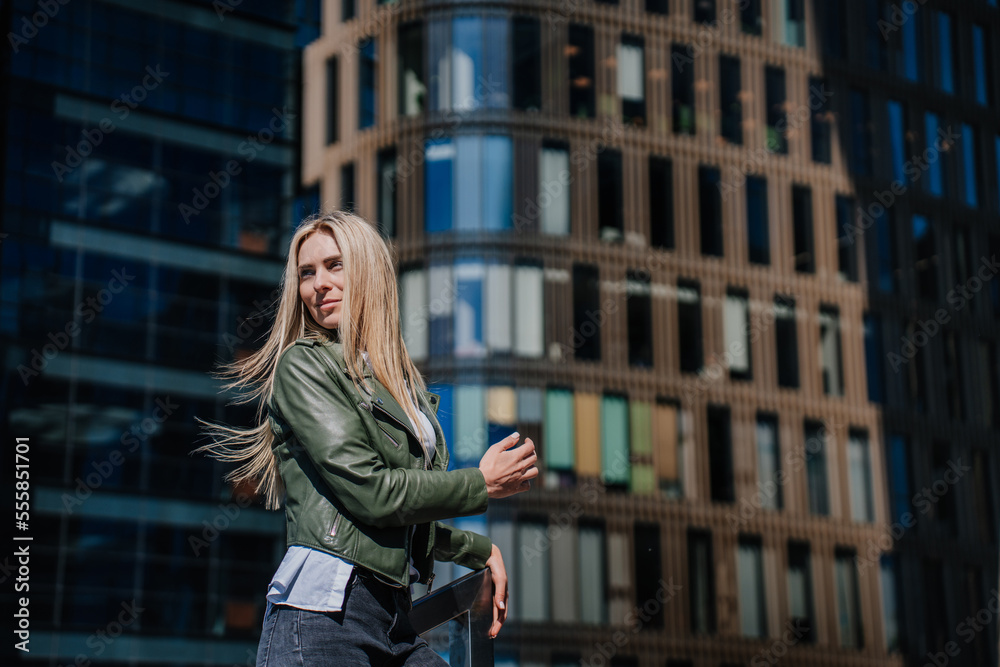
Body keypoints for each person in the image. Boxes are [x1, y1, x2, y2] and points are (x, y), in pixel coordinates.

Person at [194, 210, 539, 666]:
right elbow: (374, 494)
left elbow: (399, 523)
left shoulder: (397, 383)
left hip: (393, 618)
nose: (319, 284)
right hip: (322, 615)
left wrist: (479, 549)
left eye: (335, 265)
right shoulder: (304, 366)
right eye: (307, 273)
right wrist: (480, 483)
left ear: (368, 271)